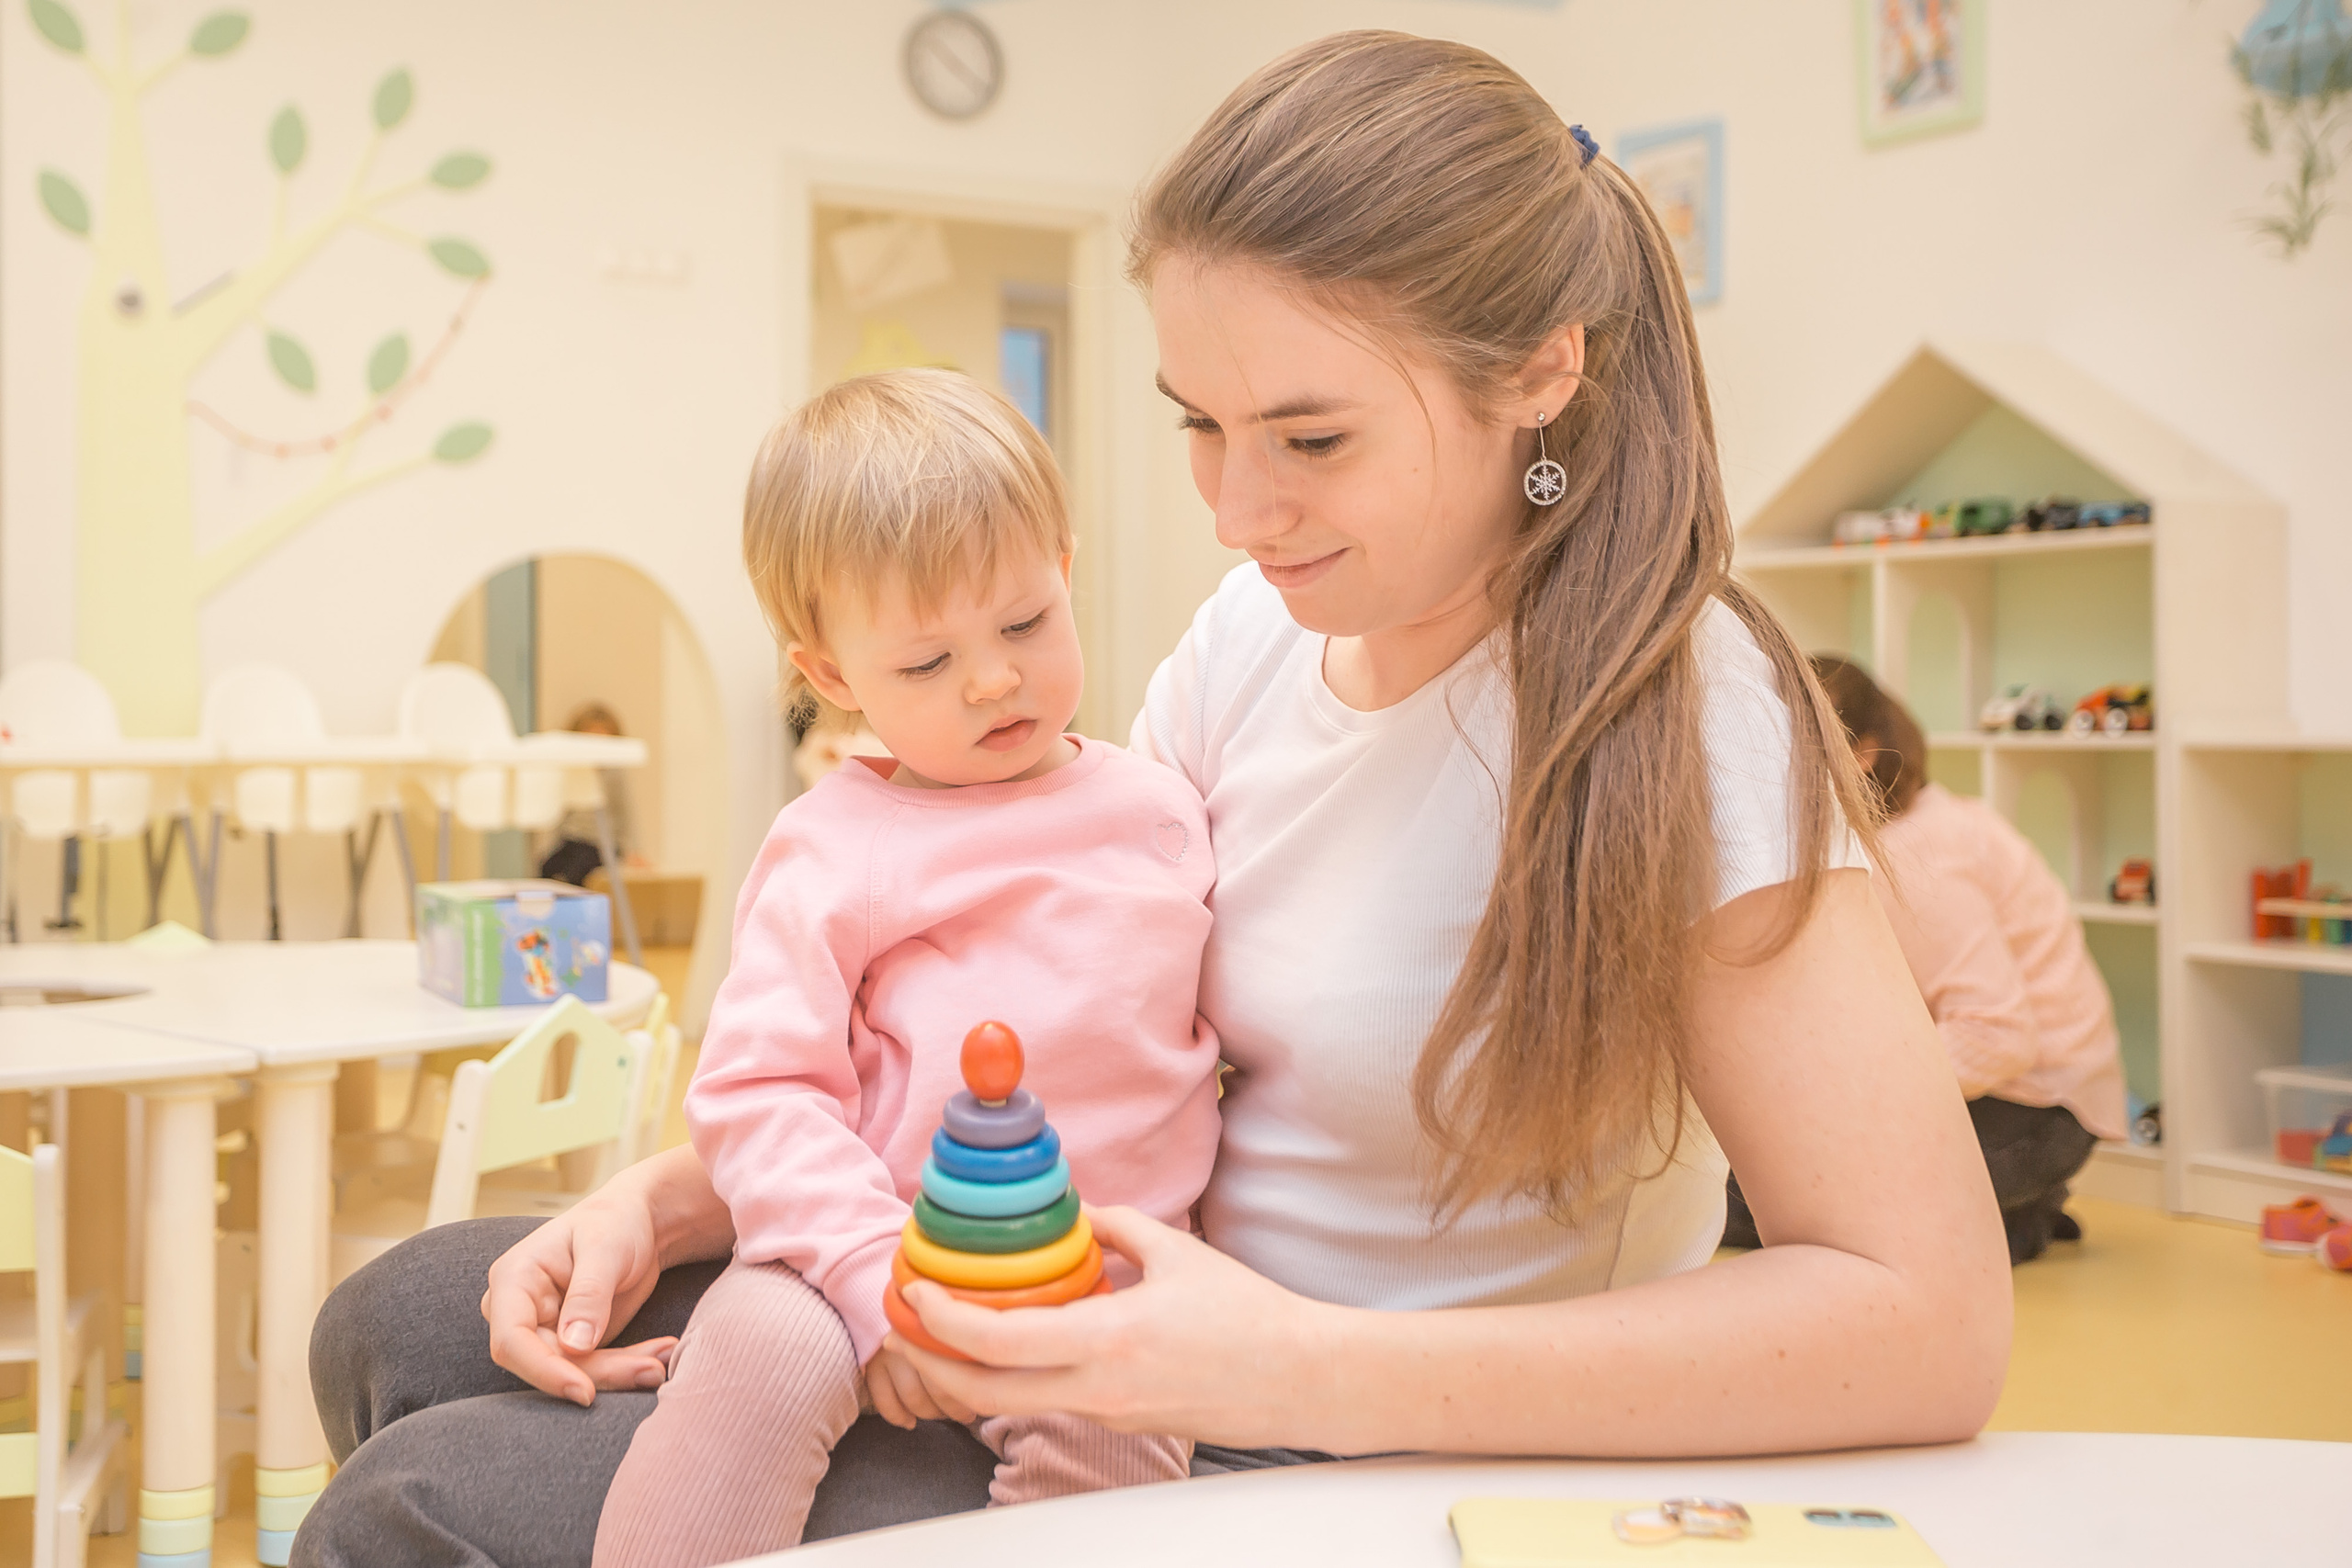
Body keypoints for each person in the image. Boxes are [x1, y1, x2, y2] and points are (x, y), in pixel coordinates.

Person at [294, 34, 2009, 1568]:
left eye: (1311, 440)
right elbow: (1056, 1000)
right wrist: (676, 1194)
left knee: (410, 1502)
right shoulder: (1261, 630)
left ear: (1541, 372)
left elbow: (1925, 1321)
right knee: (398, 1317)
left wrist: (1289, 1362)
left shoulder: (1687, 712)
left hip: (1312, 1424)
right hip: (1077, 1281)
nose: (1235, 507)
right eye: (1200, 421)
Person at [592, 369, 1217, 1566]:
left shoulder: (1165, 811)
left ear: (1065, 569)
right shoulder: (833, 844)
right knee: (760, 1353)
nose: (992, 679)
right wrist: (871, 1276)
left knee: (1126, 1443)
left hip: (1102, 1278)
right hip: (863, 1244)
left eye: (1024, 625)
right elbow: (759, 1092)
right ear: (832, 677)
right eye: (927, 663)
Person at [1722, 657, 2127, 1263]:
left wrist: (1849, 1097)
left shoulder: (1915, 855)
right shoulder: (1904, 828)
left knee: (1749, 1204)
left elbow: (1997, 1037)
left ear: (1863, 754)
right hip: (2027, 1101)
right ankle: (2016, 1204)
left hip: (2038, 1113)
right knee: (1765, 1175)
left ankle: (2014, 1211)